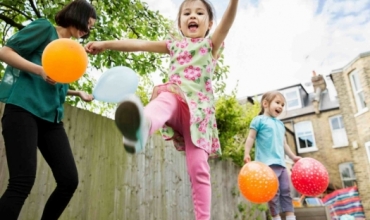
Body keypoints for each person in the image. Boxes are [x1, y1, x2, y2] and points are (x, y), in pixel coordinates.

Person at [85, 0, 238, 219]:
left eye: (199, 13)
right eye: (186, 13)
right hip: (176, 99)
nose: (192, 16)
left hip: (199, 116)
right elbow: (139, 44)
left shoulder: (210, 44)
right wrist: (106, 44)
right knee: (163, 101)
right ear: (180, 23)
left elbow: (227, 24)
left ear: (210, 24)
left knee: (199, 170)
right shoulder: (174, 45)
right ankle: (140, 129)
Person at [0, 0, 97, 219]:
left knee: (68, 181)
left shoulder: (71, 49)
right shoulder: (45, 29)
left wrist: (77, 93)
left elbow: (55, 80)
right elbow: (5, 52)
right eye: (87, 23)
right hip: (23, 110)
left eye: (91, 27)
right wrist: (39, 70)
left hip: (51, 120)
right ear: (76, 13)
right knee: (21, 182)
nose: (87, 29)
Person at [243, 91, 302, 220]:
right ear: (265, 104)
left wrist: (293, 157)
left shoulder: (280, 124)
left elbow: (284, 144)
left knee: (286, 191)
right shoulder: (258, 120)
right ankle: (276, 217)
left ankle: (290, 216)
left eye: (282, 104)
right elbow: (251, 137)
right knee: (273, 194)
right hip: (266, 166)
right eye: (277, 103)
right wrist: (246, 153)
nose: (280, 106)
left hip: (281, 164)